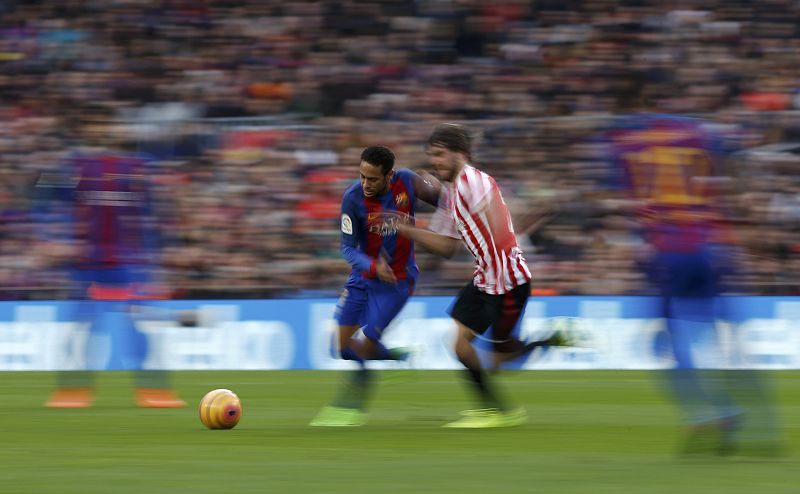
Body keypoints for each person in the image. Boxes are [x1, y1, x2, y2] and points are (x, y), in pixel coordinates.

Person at [601, 110, 781, 455]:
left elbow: (625, 198)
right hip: (711, 249)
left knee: (663, 343)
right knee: (730, 339)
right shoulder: (698, 133)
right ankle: (765, 430)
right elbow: (734, 163)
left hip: (670, 252)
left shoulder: (625, 140)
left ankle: (711, 414)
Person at [392, 123, 568, 428]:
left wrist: (501, 241)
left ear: (460, 153)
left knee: (499, 362)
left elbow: (497, 225)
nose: (434, 161)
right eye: (431, 155)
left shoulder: (475, 181)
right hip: (485, 278)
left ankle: (549, 340)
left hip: (508, 282)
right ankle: (494, 411)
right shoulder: (451, 193)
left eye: (439, 154)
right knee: (460, 344)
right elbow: (445, 246)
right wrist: (404, 228)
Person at [40, 114, 186, 408]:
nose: (104, 132)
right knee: (81, 324)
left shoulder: (137, 168)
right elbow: (44, 194)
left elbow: (152, 216)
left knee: (140, 323)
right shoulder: (76, 167)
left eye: (108, 126)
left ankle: (153, 390)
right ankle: (72, 391)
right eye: (96, 126)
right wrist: (52, 238)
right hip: (87, 263)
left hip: (128, 263)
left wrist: (155, 260)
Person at [309, 145, 440, 427]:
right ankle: (396, 355)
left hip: (397, 282)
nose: (365, 184)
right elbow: (347, 248)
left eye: (372, 179)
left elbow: (444, 201)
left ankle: (349, 408)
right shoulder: (352, 198)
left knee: (366, 344)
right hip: (363, 278)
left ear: (389, 175)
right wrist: (372, 266)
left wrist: (435, 188)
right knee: (342, 348)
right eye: (362, 176)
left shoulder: (406, 182)